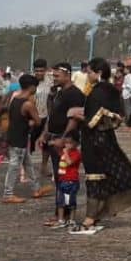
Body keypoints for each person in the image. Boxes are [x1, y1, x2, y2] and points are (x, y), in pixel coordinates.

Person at [67, 59, 131, 233]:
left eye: (90, 72)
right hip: (108, 138)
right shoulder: (112, 90)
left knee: (94, 177)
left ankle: (89, 218)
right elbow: (116, 116)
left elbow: (91, 121)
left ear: (99, 73)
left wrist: (77, 115)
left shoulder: (97, 92)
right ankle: (97, 214)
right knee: (107, 174)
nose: (88, 75)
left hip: (94, 140)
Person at [36, 64, 84, 224]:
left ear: (67, 75)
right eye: (53, 76)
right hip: (53, 137)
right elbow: (52, 116)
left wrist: (64, 139)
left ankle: (65, 214)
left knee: (65, 179)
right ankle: (60, 212)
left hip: (64, 141)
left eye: (57, 76)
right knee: (59, 178)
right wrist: (44, 133)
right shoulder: (58, 92)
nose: (54, 79)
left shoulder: (75, 94)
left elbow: (74, 119)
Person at [0, 75, 48, 204]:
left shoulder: (15, 99)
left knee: (28, 164)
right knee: (14, 167)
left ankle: (36, 189)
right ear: (32, 87)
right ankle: (8, 194)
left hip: (13, 136)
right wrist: (30, 122)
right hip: (19, 139)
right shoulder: (28, 104)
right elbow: (38, 121)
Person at [51, 134, 81, 229]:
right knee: (60, 201)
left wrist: (66, 153)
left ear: (76, 144)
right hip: (62, 180)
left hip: (71, 181)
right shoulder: (64, 152)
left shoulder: (76, 153)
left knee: (71, 202)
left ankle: (72, 220)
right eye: (66, 143)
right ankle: (61, 220)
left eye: (70, 143)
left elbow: (69, 162)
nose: (67, 145)